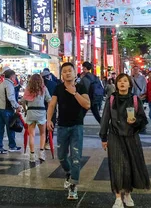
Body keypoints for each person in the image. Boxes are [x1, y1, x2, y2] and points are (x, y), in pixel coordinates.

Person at [100, 73, 151, 208]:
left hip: (131, 136)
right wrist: (104, 137)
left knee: (130, 166)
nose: (122, 83)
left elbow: (143, 120)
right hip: (115, 136)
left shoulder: (135, 99)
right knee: (116, 166)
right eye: (119, 81)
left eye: (125, 81)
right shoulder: (111, 99)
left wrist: (134, 122)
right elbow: (105, 119)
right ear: (116, 84)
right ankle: (118, 197)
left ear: (129, 84)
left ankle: (127, 194)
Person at [46, 62, 91, 200]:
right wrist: (49, 119)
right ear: (62, 74)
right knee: (61, 156)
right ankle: (69, 172)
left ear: (74, 72)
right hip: (62, 127)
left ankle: (73, 187)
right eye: (64, 71)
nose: (67, 73)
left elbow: (87, 104)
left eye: (69, 70)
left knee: (76, 158)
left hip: (77, 126)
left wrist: (75, 93)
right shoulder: (58, 88)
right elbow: (52, 104)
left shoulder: (81, 87)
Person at [21, 73, 51, 162]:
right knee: (42, 134)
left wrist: (25, 110)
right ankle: (41, 153)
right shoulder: (43, 88)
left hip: (30, 112)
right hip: (41, 112)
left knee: (32, 135)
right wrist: (49, 111)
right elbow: (49, 100)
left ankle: (32, 155)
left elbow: (22, 101)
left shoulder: (28, 89)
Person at [0, 69, 22, 154]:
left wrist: (19, 86)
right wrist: (17, 106)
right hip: (6, 110)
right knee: (10, 127)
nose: (15, 78)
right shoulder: (9, 84)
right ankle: (12, 146)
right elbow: (10, 97)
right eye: (14, 76)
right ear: (12, 76)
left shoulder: (3, 83)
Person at [42, 68, 60, 150]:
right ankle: (49, 142)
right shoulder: (54, 84)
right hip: (52, 107)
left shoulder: (39, 85)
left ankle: (44, 141)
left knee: (43, 126)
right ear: (49, 76)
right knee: (51, 125)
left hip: (41, 108)